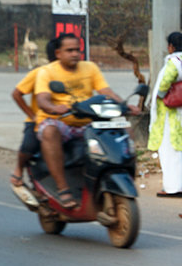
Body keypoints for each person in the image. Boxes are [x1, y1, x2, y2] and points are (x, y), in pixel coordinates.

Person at [34, 33, 133, 209]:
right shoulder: (47, 72)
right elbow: (42, 99)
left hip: (86, 120)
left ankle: (110, 176)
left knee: (121, 128)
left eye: (77, 50)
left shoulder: (90, 68)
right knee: (49, 131)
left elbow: (106, 91)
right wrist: (54, 108)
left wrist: (124, 105)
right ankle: (63, 188)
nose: (74, 54)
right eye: (69, 50)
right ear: (58, 53)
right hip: (61, 121)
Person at [8, 37, 60, 203]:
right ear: (57, 55)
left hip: (68, 121)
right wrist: (32, 115)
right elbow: (17, 93)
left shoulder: (79, 72)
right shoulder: (40, 73)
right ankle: (18, 170)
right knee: (29, 145)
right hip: (40, 121)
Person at [147, 32, 182, 198]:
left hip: (170, 113)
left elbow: (165, 83)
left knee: (170, 151)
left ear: (171, 47)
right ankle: (181, 184)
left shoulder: (173, 62)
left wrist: (160, 95)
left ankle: (172, 188)